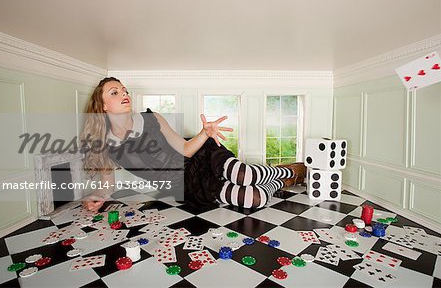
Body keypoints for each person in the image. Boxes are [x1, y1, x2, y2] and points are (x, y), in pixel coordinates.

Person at [81, 77, 306, 212]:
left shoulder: (152, 118)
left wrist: (204, 133)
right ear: (103, 106)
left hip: (200, 156)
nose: (124, 94)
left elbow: (186, 149)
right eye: (114, 92)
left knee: (244, 175)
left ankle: (285, 171)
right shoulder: (106, 145)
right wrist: (96, 198)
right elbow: (107, 185)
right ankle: (283, 181)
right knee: (254, 199)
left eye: (124, 90)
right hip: (187, 186)